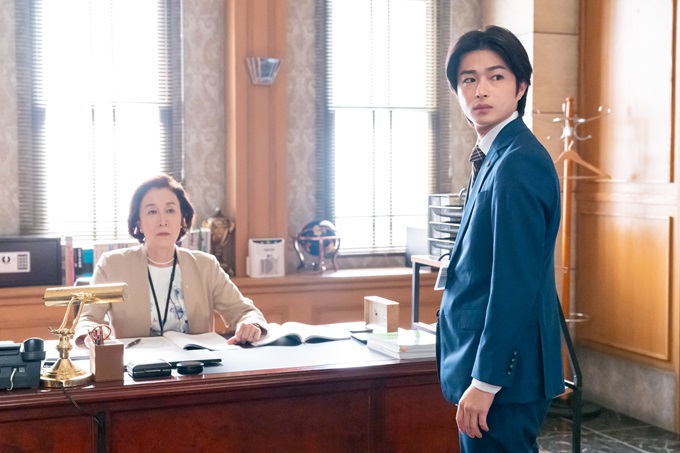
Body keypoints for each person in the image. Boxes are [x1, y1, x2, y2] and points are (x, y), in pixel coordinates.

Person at [436, 25, 565, 452]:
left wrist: (486, 381)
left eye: (496, 76)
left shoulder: (517, 163)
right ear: (456, 90)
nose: (481, 90)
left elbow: (514, 284)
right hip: (490, 365)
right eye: (468, 79)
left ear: (521, 86)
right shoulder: (496, 155)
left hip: (504, 376)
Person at [75, 174, 267, 345]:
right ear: (139, 222)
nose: (163, 221)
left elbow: (244, 312)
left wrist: (249, 324)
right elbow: (88, 320)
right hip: (136, 368)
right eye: (152, 211)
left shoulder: (206, 266)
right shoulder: (112, 265)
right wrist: (93, 333)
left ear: (183, 219)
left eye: (170, 210)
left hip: (195, 367)